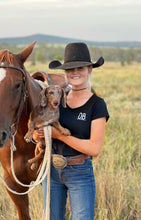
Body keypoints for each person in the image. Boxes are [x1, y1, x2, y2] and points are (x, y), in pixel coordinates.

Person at [35, 42, 109, 220]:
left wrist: (59, 135)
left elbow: (94, 149)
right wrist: (40, 135)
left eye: (80, 68)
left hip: (80, 173)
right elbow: (44, 125)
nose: (75, 73)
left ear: (89, 69)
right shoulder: (57, 99)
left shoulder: (97, 105)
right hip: (51, 170)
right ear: (65, 73)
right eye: (70, 69)